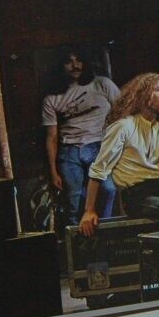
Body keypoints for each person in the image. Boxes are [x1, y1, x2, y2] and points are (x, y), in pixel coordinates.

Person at [80, 73, 159, 232]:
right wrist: (89, 210)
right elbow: (98, 170)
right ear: (143, 96)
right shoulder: (124, 127)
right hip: (136, 198)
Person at [41, 47, 121, 224]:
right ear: (61, 66)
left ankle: (104, 230)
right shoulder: (51, 98)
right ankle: (77, 237)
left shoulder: (102, 84)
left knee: (108, 189)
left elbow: (123, 114)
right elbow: (51, 137)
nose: (75, 65)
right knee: (74, 199)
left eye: (79, 60)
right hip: (70, 151)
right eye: (69, 62)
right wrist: (53, 171)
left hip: (99, 146)